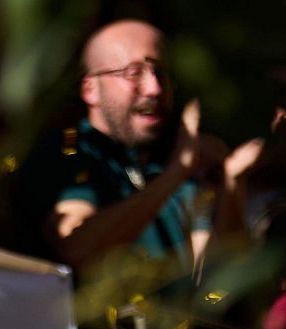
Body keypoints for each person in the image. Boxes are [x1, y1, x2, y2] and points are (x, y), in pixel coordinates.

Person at [19, 19, 261, 313]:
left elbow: (212, 283)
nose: (155, 88)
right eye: (133, 73)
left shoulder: (172, 159)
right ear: (90, 89)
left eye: (160, 73)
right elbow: (76, 246)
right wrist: (175, 173)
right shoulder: (74, 150)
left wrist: (233, 182)